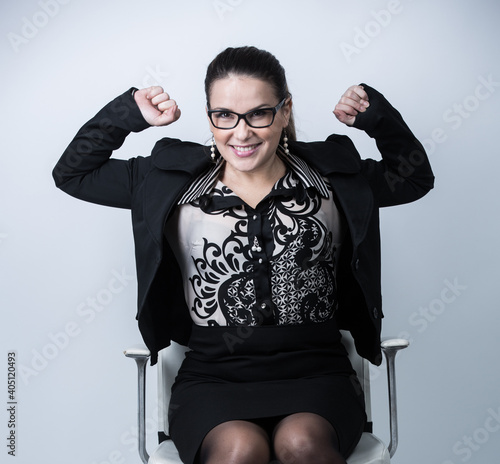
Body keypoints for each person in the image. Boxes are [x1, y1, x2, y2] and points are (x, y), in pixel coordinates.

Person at [53, 46, 434, 464]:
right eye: (225, 115)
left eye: (259, 113)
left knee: (302, 443)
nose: (242, 132)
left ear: (285, 111)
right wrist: (128, 113)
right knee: (239, 450)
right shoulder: (166, 182)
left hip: (316, 371)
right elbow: (73, 173)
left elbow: (415, 177)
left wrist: (374, 116)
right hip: (214, 376)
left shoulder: (336, 178)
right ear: (209, 115)